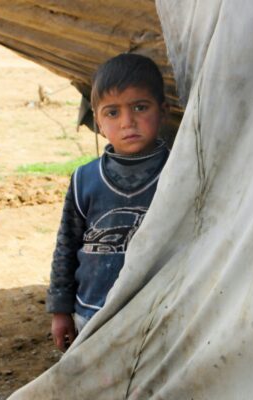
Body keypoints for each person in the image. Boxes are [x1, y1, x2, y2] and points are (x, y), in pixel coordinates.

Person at [46, 53, 170, 351]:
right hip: (91, 313)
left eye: (140, 107)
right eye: (112, 113)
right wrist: (60, 310)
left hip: (159, 314)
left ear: (163, 111)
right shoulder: (84, 180)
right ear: (98, 121)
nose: (128, 122)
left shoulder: (179, 173)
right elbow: (66, 246)